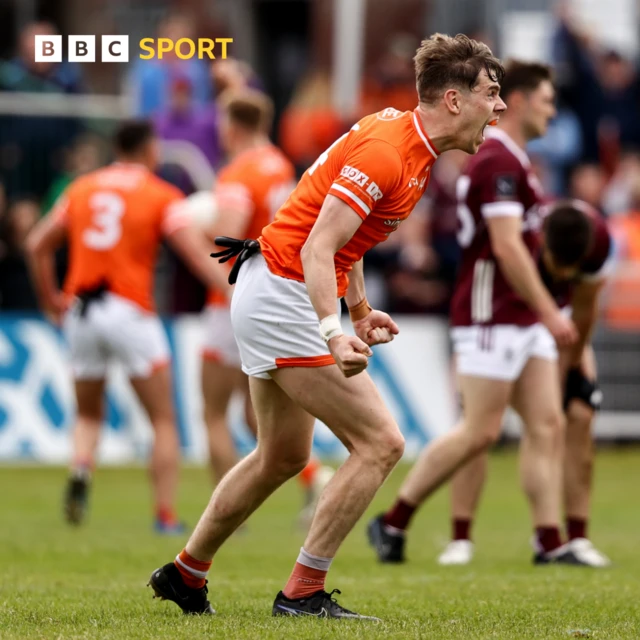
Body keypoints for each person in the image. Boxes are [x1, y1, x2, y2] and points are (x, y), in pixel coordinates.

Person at [147, 33, 506, 619]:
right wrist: (330, 331)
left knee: (282, 456)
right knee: (381, 442)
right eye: (491, 94)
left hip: (273, 286)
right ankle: (302, 593)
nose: (500, 107)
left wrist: (360, 311)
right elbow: (319, 248)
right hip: (285, 290)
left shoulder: (408, 143)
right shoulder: (389, 152)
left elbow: (347, 239)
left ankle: (187, 573)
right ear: (452, 99)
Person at [369, 60, 585, 567]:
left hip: (519, 314)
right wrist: (552, 311)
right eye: (547, 101)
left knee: (547, 423)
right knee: (480, 432)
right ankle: (394, 519)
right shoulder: (497, 161)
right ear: (527, 100)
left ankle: (549, 542)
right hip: (490, 314)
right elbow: (508, 249)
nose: (549, 112)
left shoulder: (512, 159)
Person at [25, 120, 231, 532]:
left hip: (80, 311)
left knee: (88, 413)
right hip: (130, 311)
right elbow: (196, 255)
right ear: (149, 148)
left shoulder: (81, 189)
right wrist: (237, 288)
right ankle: (165, 515)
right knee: (162, 420)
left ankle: (82, 468)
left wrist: (51, 299)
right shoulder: (160, 194)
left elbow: (35, 244)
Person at [437, 200, 612, 567]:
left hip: (558, 326)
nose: (562, 274)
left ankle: (573, 537)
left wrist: (570, 365)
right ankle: (460, 536)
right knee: (480, 425)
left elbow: (584, 307)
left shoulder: (596, 243)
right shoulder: (519, 233)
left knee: (577, 414)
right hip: (503, 320)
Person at [201, 88, 333, 524]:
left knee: (214, 413)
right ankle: (315, 479)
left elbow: (227, 236)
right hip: (278, 294)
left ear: (232, 125)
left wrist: (201, 226)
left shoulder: (238, 173)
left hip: (235, 299)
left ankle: (225, 516)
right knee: (254, 411)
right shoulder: (279, 163)